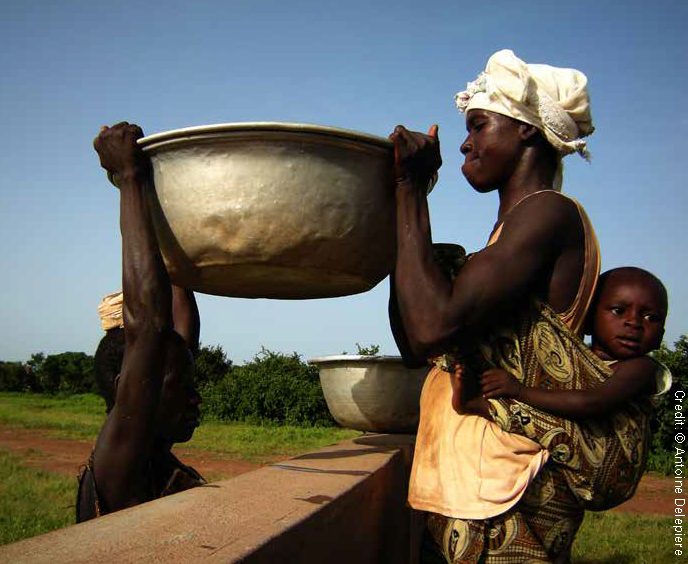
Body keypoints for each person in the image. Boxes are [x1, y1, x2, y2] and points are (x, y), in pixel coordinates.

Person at [389, 49, 610, 562]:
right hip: (473, 486)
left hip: (505, 495)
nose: (465, 142)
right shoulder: (509, 235)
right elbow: (413, 342)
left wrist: (409, 190)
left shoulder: (547, 215)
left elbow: (431, 328)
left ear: (526, 131)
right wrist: (404, 209)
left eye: (479, 124)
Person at [76, 122, 205, 522]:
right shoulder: (119, 462)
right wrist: (129, 179)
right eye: (181, 386)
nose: (196, 398)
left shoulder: (153, 453)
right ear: (128, 387)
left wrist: (159, 198)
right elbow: (148, 327)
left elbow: (173, 326)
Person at [481, 266, 671, 420]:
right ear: (588, 320)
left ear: (660, 336)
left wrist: (519, 390)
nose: (634, 323)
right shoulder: (573, 358)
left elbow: (592, 403)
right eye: (618, 311)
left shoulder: (641, 369)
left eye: (650, 317)